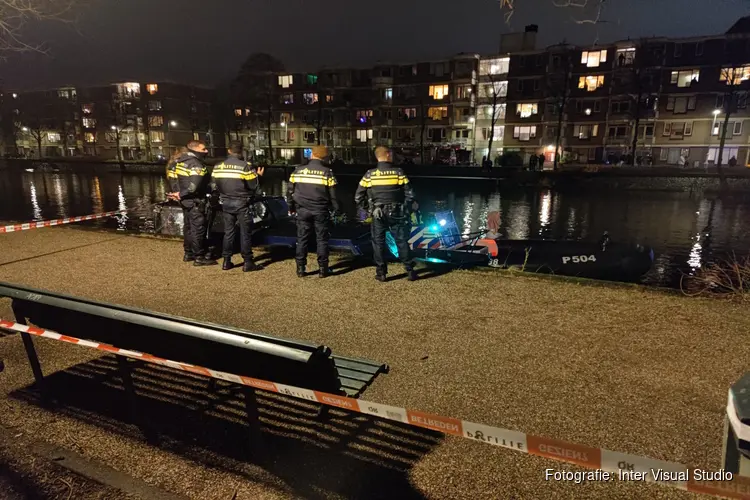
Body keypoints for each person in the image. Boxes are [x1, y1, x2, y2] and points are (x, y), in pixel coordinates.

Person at [355, 146, 417, 282]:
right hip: (397, 212)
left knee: (378, 242)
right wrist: (405, 207)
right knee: (401, 240)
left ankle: (381, 273)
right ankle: (410, 270)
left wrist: (369, 209)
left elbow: (358, 197)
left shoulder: (369, 174)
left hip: (378, 213)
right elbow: (410, 194)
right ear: (388, 155)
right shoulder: (398, 172)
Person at [286, 145, 340, 278]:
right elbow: (333, 196)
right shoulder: (327, 172)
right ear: (325, 157)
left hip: (302, 210)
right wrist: (336, 210)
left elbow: (289, 193)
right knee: (322, 240)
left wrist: (291, 208)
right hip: (320, 210)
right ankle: (323, 269)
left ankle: (300, 269)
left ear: (312, 155)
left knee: (302, 239)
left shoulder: (298, 171)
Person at [210, 141, 264, 272]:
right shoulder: (245, 166)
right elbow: (253, 186)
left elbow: (213, 186)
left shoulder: (218, 167)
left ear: (229, 151)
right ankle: (248, 262)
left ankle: (226, 261)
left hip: (226, 203)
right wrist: (259, 177)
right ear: (241, 151)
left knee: (228, 233)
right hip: (241, 203)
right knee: (245, 233)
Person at [168, 140, 216, 266]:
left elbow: (173, 180)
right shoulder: (196, 165)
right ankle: (199, 257)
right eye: (203, 149)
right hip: (196, 201)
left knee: (188, 227)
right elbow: (193, 187)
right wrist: (181, 194)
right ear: (195, 150)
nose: (206, 151)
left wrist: (177, 194)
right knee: (198, 229)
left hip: (185, 202)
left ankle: (188, 253)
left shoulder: (178, 163)